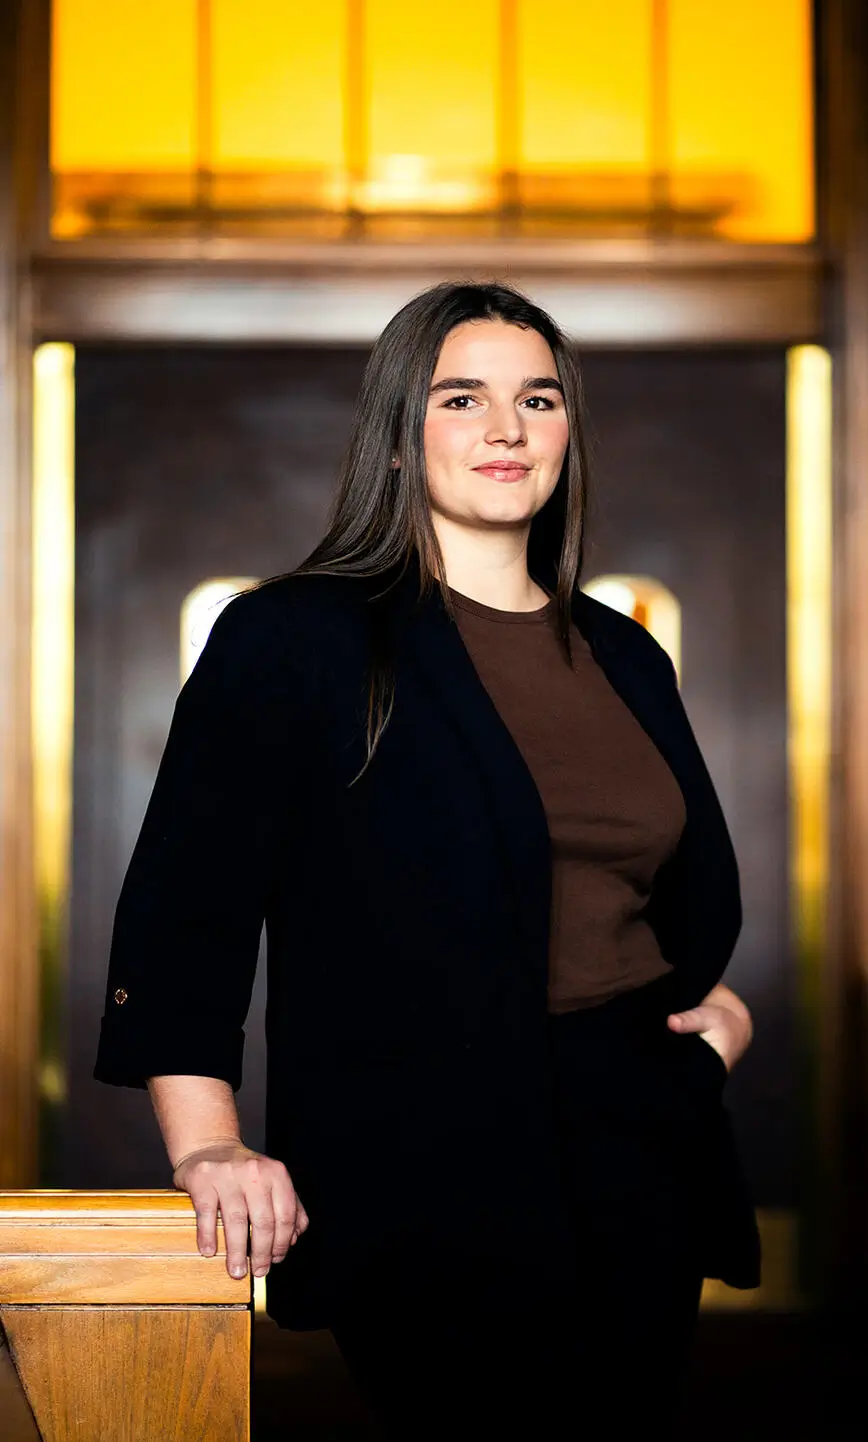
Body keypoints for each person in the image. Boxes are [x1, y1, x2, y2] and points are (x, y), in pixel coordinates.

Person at [94, 280, 761, 1440]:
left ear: (566, 431)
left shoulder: (624, 653)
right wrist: (209, 1143)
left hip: (637, 1146)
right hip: (423, 1160)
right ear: (400, 436)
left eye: (538, 398)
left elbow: (656, 888)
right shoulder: (295, 638)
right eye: (463, 397)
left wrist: (715, 1022)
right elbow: (187, 913)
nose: (507, 427)